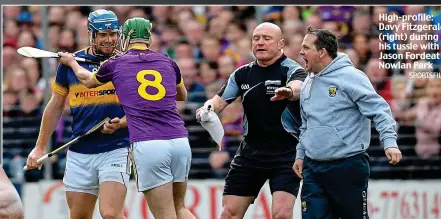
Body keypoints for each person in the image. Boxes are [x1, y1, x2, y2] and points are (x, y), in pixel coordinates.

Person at [57, 17, 196, 219]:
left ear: (125, 37)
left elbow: (87, 80)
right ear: (149, 37)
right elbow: (182, 95)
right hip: (180, 141)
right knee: (180, 208)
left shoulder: (116, 63)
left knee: (166, 215)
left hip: (150, 144)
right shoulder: (167, 61)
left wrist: (71, 63)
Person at [25, 9, 131, 219]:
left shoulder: (126, 63)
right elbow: (55, 106)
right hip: (80, 150)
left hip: (116, 148)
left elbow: (140, 109)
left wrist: (121, 123)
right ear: (91, 35)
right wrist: (39, 147)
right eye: (102, 35)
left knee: (111, 214)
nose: (109, 40)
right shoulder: (70, 65)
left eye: (113, 34)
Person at [196, 22, 307, 219]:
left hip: (286, 154)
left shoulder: (292, 70)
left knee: (281, 215)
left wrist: (288, 91)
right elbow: (219, 101)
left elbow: (298, 86)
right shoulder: (242, 74)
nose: (260, 43)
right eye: (256, 39)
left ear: (281, 43)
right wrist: (207, 108)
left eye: (267, 39)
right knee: (229, 213)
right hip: (251, 153)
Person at [292, 26, 402, 219]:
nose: (301, 52)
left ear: (322, 52)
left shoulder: (351, 77)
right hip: (313, 169)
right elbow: (306, 124)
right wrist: (300, 154)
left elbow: (380, 110)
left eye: (306, 47)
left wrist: (390, 142)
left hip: (347, 166)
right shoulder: (308, 81)